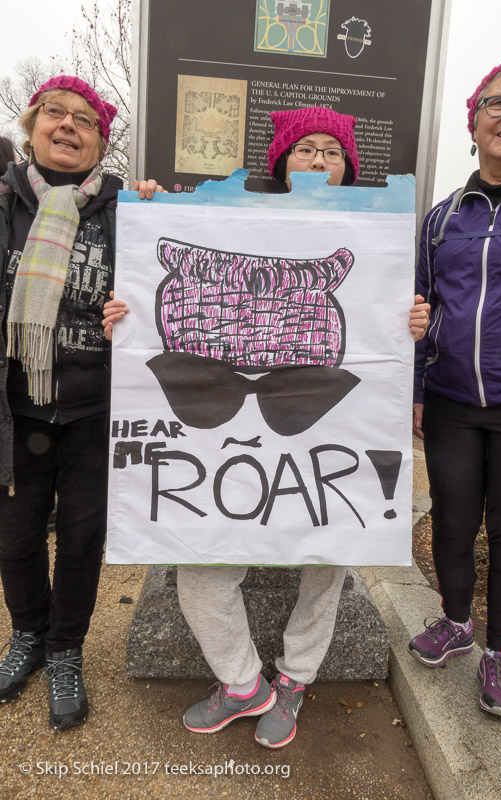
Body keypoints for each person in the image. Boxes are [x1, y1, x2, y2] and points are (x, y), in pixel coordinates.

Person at [103, 106, 430, 748]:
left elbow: (387, 338)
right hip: (212, 450)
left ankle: (296, 679)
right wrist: (131, 307)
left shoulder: (380, 245)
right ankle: (242, 682)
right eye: (305, 148)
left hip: (323, 444)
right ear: (281, 162)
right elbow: (147, 280)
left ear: (348, 167)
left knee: (333, 554)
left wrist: (411, 323)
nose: (317, 161)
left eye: (331, 152)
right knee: (199, 568)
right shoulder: (217, 219)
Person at [0, 75, 161, 730]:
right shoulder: (5, 199)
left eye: (84, 120)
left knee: (82, 536)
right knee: (14, 541)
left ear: (101, 141)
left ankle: (66, 649)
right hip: (16, 408)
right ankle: (28, 637)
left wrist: (139, 299)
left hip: (97, 407)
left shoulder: (129, 210)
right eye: (55, 115)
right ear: (33, 127)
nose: (68, 126)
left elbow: (159, 299)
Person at [409, 59, 501, 721]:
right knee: (452, 523)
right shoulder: (440, 218)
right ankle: (455, 622)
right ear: (475, 120)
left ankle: (500, 653)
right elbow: (420, 306)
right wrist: (417, 391)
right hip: (451, 402)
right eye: (497, 103)